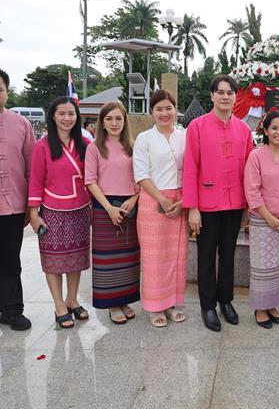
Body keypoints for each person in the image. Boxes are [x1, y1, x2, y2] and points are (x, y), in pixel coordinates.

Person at [183, 76, 253, 332]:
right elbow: (190, 168)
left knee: (228, 256)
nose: (225, 97)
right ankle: (208, 305)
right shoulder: (197, 127)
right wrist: (192, 207)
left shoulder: (244, 130)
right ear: (212, 96)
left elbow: (249, 170)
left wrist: (247, 206)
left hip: (234, 204)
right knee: (205, 257)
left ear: (236, 97)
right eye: (220, 92)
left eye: (230, 92)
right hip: (206, 204)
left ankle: (226, 301)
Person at [28, 96, 91, 329]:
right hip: (52, 210)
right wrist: (34, 214)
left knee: (75, 259)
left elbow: (93, 177)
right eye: (62, 113)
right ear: (53, 116)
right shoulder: (42, 146)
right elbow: (35, 181)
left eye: (71, 114)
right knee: (54, 260)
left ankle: (72, 299)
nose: (67, 118)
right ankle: (59, 305)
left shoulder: (86, 144)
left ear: (77, 116)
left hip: (81, 208)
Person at [133, 90, 188, 328]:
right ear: (152, 112)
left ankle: (172, 303)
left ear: (175, 109)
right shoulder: (144, 138)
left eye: (168, 108)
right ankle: (155, 306)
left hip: (181, 200)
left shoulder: (184, 136)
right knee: (155, 257)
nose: (164, 113)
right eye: (159, 109)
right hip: (153, 199)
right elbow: (141, 175)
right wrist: (163, 201)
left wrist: (184, 200)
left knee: (176, 255)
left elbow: (193, 169)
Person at [244, 111, 279, 329]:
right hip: (262, 221)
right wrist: (268, 217)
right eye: (275, 128)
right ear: (266, 130)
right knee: (263, 265)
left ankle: (274, 304)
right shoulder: (256, 156)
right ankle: (261, 308)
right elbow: (252, 190)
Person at [85, 102, 140, 324]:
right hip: (104, 206)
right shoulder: (94, 147)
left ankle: (124, 299)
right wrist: (108, 208)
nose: (114, 123)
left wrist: (134, 199)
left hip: (129, 205)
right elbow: (90, 180)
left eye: (118, 118)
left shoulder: (133, 146)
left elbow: (141, 179)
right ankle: (111, 304)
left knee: (128, 258)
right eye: (109, 119)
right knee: (107, 259)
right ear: (103, 122)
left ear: (125, 121)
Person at [0, 69, 35, 331]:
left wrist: (31, 205)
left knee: (11, 261)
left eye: (0, 89)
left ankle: (13, 310)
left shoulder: (21, 124)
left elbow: (31, 167)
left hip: (12, 206)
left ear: (7, 93)